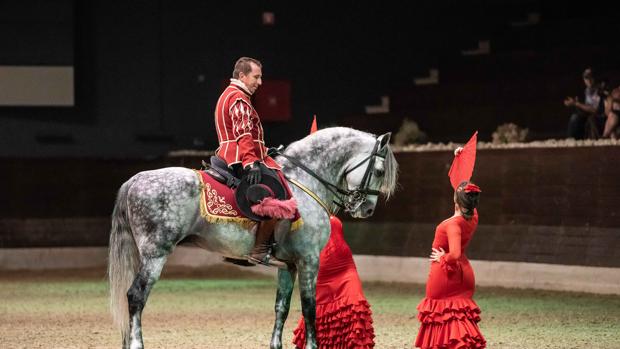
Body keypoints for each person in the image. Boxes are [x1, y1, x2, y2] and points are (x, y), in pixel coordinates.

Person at [214, 56, 289, 264]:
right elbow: (243, 134)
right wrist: (251, 161)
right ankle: (259, 250)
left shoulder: (229, 94)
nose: (260, 82)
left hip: (233, 153)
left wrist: (263, 149)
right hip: (238, 156)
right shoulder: (239, 98)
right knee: (277, 198)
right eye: (256, 77)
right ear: (241, 76)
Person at [414, 178, 486, 349]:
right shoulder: (473, 217)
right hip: (464, 272)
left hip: (447, 274)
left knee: (441, 314)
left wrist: (443, 257)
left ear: (455, 200)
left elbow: (454, 253)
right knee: (457, 316)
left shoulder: (452, 224)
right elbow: (464, 190)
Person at [292, 216, 375, 349]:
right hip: (321, 270)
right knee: (319, 311)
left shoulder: (328, 207)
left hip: (346, 267)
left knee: (355, 304)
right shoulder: (304, 215)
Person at [565, 68, 605, 139]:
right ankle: (573, 139)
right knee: (575, 116)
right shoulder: (586, 90)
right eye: (586, 78)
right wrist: (574, 103)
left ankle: (572, 138)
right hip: (589, 114)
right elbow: (586, 106)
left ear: (594, 78)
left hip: (599, 116)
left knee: (576, 118)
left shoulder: (599, 90)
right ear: (584, 80)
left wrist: (576, 103)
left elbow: (595, 110)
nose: (589, 81)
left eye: (590, 78)